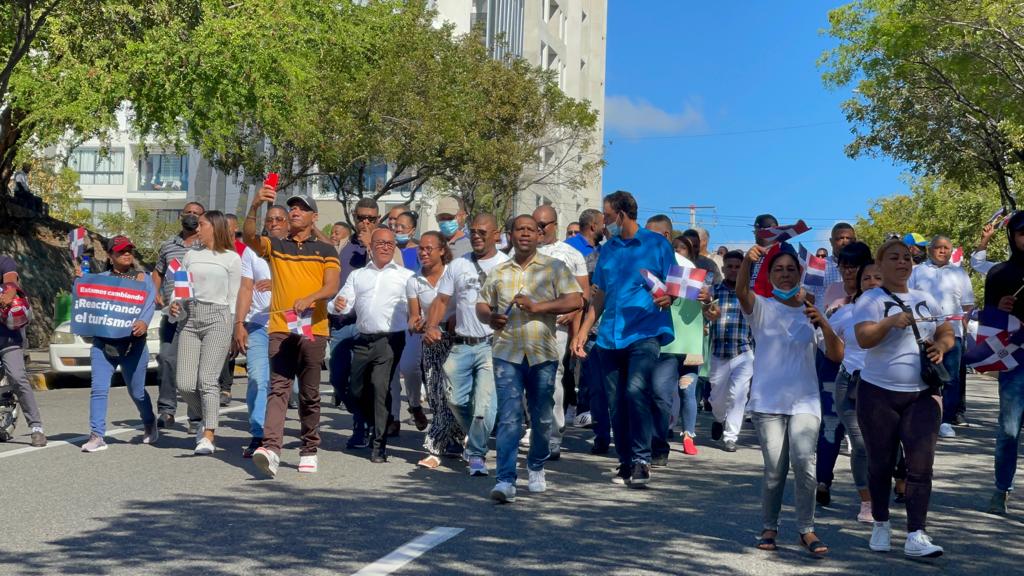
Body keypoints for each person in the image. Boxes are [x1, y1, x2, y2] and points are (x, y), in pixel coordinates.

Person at [736, 242, 844, 557]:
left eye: (791, 269)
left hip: (805, 401)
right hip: (767, 402)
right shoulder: (761, 307)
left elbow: (836, 355)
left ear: (800, 273)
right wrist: (747, 262)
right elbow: (741, 291)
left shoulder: (812, 310)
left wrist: (822, 321)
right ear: (769, 275)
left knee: (804, 463)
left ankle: (806, 529)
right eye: (778, 269)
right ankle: (769, 527)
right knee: (775, 470)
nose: (785, 274)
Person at [853, 239, 952, 558]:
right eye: (894, 258)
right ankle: (881, 523)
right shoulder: (870, 299)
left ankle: (916, 534)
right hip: (878, 394)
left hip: (921, 395)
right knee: (880, 463)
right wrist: (888, 322)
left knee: (921, 464)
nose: (902, 263)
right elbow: (863, 338)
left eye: (906, 258)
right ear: (880, 265)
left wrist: (941, 347)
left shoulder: (926, 298)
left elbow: (946, 331)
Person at [572, 191, 675, 488]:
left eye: (607, 216)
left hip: (645, 332)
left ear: (621, 214)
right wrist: (583, 331)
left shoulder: (657, 244)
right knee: (615, 402)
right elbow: (600, 295)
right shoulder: (608, 250)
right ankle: (626, 460)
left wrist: (670, 298)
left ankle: (642, 459)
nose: (604, 223)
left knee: (635, 391)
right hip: (609, 337)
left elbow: (676, 284)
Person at [479, 215, 583, 503]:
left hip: (542, 355)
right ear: (510, 235)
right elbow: (482, 304)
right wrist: (490, 317)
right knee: (509, 418)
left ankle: (536, 465)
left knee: (542, 417)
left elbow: (576, 300)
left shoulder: (554, 267)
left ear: (539, 235)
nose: (524, 234)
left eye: (530, 229)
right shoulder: (498, 271)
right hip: (507, 354)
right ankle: (505, 480)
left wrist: (539, 307)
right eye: (519, 229)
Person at [245, 188, 340, 478]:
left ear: (314, 216)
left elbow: (332, 286)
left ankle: (309, 449)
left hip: (314, 329)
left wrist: (311, 298)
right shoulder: (276, 245)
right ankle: (271, 449)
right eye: (293, 208)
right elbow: (249, 237)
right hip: (281, 329)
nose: (295, 212)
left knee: (309, 394)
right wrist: (255, 205)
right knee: (279, 388)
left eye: (302, 208)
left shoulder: (326, 250)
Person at [424, 213, 509, 476]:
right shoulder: (459, 265)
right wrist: (431, 326)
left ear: (496, 234)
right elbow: (441, 300)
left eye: (483, 232)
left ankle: (476, 454)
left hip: (492, 345)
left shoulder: (506, 265)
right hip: (461, 344)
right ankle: (475, 435)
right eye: (473, 232)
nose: (477, 236)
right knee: (454, 399)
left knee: (484, 405)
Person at [332, 227, 415, 463]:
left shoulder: (406, 276)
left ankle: (379, 445)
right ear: (371, 247)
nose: (386, 247)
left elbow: (416, 306)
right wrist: (337, 305)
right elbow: (343, 302)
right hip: (363, 339)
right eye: (380, 243)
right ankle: (371, 421)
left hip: (390, 340)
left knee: (380, 387)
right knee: (355, 389)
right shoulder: (358, 275)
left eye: (390, 244)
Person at [169, 211, 241, 455]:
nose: (196, 228)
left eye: (201, 224)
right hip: (190, 317)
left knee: (207, 380)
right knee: (185, 383)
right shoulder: (190, 255)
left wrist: (234, 329)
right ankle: (207, 416)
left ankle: (209, 434)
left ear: (214, 227)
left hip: (218, 317)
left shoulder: (231, 258)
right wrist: (175, 303)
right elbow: (180, 286)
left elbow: (234, 297)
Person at [80, 236, 159, 452]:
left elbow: (150, 304)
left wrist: (144, 322)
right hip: (103, 345)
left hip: (134, 346)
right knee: (99, 389)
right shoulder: (100, 280)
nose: (126, 254)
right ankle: (97, 435)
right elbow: (85, 300)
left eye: (129, 250)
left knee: (137, 392)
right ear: (110, 255)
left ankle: (149, 421)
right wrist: (80, 283)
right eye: (121, 251)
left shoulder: (143, 278)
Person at [522, 204, 589, 460]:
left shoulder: (571, 254)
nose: (537, 230)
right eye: (534, 225)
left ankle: (553, 435)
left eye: (542, 226)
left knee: (552, 377)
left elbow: (583, 294)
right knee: (526, 379)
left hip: (556, 326)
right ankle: (535, 426)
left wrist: (574, 315)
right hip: (525, 325)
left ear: (554, 225)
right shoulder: (521, 251)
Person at [814, 242, 875, 521]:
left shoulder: (879, 293)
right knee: (831, 424)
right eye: (844, 266)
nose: (848, 271)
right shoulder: (833, 292)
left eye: (854, 266)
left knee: (876, 433)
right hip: (833, 365)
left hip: (871, 372)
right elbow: (825, 329)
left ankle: (895, 478)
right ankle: (823, 481)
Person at [233, 205, 288, 458]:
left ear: (288, 223)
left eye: (279, 219)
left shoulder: (296, 250)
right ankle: (259, 434)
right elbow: (245, 288)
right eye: (270, 220)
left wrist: (277, 285)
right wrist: (239, 323)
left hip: (289, 324)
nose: (274, 223)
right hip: (258, 324)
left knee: (290, 386)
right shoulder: (251, 253)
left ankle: (293, 431)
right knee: (257, 378)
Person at [647, 222, 705, 461]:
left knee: (685, 392)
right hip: (666, 342)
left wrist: (708, 302)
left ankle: (687, 436)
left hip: (687, 343)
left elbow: (702, 306)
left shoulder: (685, 267)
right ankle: (660, 441)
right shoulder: (651, 262)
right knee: (662, 394)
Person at [909, 234, 974, 437]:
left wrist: (964, 329)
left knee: (951, 378)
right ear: (930, 250)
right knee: (924, 375)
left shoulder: (959, 273)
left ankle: (945, 420)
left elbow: (968, 305)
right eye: (938, 247)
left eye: (946, 248)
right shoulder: (917, 272)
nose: (942, 251)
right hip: (923, 334)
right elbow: (907, 298)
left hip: (952, 333)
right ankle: (924, 417)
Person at [407, 232, 461, 469]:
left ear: (442, 250)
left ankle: (439, 445)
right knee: (436, 395)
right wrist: (417, 324)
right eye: (421, 248)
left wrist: (456, 318)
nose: (423, 252)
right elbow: (412, 317)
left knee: (453, 395)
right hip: (431, 341)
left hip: (458, 340)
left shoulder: (454, 273)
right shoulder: (414, 281)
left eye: (429, 248)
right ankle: (451, 440)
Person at [983, 211, 1024, 515]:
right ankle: (1001, 489)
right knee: (1009, 428)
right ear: (1012, 236)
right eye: (1022, 233)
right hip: (1014, 359)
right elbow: (988, 325)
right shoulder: (998, 274)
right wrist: (999, 309)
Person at [152, 202, 206, 429]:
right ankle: (166, 410)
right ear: (181, 216)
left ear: (203, 219)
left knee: (195, 367)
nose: (191, 216)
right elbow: (158, 272)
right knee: (166, 358)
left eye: (196, 213)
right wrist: (155, 292)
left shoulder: (208, 245)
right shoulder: (168, 246)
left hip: (198, 314)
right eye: (188, 212)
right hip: (172, 314)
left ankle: (196, 416)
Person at [332, 198, 378, 443]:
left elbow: (386, 275)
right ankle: (361, 412)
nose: (365, 222)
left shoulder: (383, 245)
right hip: (342, 323)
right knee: (338, 378)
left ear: (377, 219)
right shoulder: (343, 245)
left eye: (371, 218)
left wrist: (371, 246)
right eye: (361, 218)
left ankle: (361, 427)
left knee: (363, 379)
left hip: (367, 326)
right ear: (354, 217)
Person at [704, 250, 753, 453]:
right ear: (723, 269)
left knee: (738, 395)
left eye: (738, 267)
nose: (734, 270)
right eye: (730, 267)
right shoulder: (713, 291)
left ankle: (731, 436)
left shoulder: (749, 293)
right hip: (718, 352)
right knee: (717, 397)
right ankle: (718, 418)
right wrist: (707, 315)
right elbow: (703, 316)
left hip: (744, 352)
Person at [0, 254, 45, 447]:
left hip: (7, 336)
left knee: (17, 377)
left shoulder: (4, 261)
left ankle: (36, 427)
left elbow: (10, 279)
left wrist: (10, 291)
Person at [815, 223, 858, 308]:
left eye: (848, 238)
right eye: (840, 238)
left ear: (854, 241)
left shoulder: (865, 266)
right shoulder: (818, 266)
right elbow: (808, 296)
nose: (844, 242)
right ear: (831, 241)